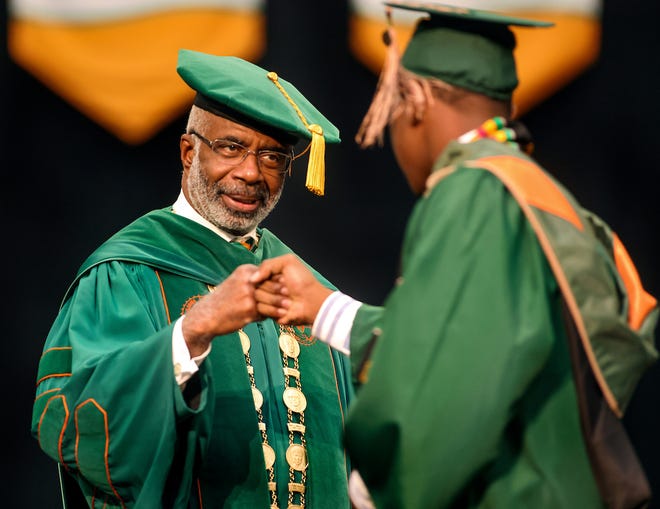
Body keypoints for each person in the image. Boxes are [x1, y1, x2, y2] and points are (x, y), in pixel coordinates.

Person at [251, 2, 659, 508]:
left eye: (394, 111)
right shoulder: (534, 192)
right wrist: (326, 308)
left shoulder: (472, 192)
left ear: (416, 100)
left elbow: (447, 392)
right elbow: (471, 340)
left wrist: (373, 487)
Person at [31, 48, 354, 508]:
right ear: (188, 151)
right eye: (231, 147)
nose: (249, 173)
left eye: (272, 158)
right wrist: (190, 334)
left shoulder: (309, 288)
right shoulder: (128, 272)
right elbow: (71, 422)